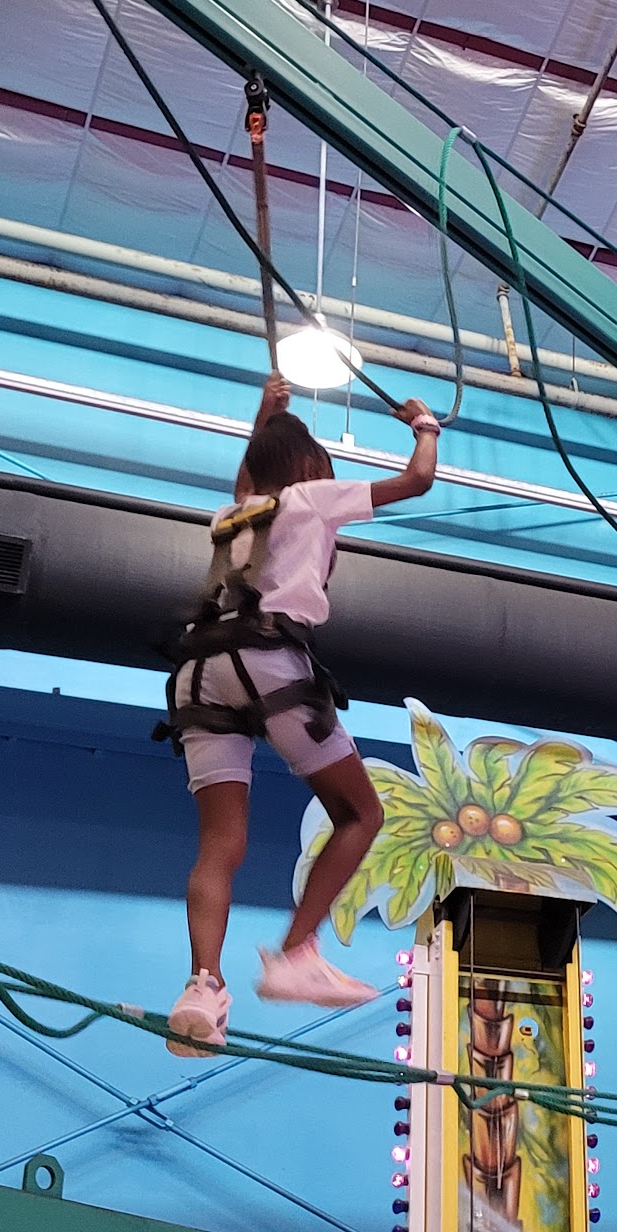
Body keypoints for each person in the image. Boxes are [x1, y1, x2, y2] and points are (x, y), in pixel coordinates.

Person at [159, 373, 440, 1056]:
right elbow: (417, 481)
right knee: (361, 814)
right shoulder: (311, 498)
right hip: (271, 665)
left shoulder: (232, 515)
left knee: (218, 845)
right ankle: (295, 953)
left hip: (200, 672)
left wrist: (263, 416)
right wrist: (425, 426)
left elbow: (245, 481)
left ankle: (202, 987)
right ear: (311, 468)